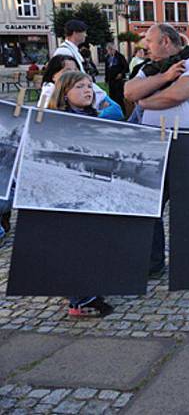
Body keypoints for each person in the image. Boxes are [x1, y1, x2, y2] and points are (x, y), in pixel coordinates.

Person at [125, 23, 189, 275]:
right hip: (154, 141)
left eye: (150, 42)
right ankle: (153, 263)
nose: (146, 48)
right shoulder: (152, 67)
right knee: (149, 203)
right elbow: (129, 90)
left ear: (165, 41)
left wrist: (146, 101)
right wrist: (165, 78)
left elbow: (178, 94)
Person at [48, 70, 115, 317]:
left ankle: (89, 291)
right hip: (67, 193)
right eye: (79, 87)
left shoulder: (93, 117)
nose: (87, 90)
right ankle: (80, 300)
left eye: (89, 86)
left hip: (91, 191)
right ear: (64, 93)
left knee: (91, 242)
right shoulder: (58, 121)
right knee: (74, 245)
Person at [38, 54, 122, 120]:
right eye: (67, 71)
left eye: (75, 70)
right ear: (53, 76)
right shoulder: (47, 91)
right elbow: (39, 118)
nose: (74, 74)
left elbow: (116, 110)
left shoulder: (91, 86)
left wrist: (96, 116)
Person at [104, 43, 128, 109]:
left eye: (111, 49)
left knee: (119, 97)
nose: (110, 51)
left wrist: (121, 73)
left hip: (119, 80)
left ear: (114, 49)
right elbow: (106, 69)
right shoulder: (107, 58)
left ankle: (122, 110)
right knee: (112, 96)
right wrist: (106, 80)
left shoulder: (120, 57)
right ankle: (114, 110)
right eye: (109, 50)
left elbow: (126, 67)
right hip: (111, 80)